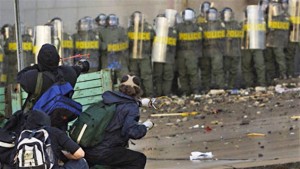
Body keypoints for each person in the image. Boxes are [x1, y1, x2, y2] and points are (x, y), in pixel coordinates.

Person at [84, 74, 154, 169]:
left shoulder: (108, 99)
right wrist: (146, 126)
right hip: (104, 152)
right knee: (139, 159)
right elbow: (132, 132)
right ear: (137, 90)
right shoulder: (132, 108)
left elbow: (122, 104)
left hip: (88, 149)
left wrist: (139, 103)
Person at [17, 43, 89, 130]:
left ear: (39, 59)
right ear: (58, 59)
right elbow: (78, 68)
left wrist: (38, 66)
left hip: (36, 128)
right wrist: (82, 64)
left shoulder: (32, 78)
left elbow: (20, 76)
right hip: (59, 127)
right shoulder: (68, 74)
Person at [17, 110, 89, 169]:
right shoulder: (53, 132)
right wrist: (64, 155)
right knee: (81, 161)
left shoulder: (23, 135)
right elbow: (80, 153)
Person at [127, 11, 155, 97]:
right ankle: (137, 95)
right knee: (135, 77)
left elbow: (154, 41)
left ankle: (149, 94)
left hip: (144, 56)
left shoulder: (148, 28)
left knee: (146, 76)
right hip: (133, 57)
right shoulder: (130, 29)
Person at [176, 8, 202, 95]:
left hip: (192, 53)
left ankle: (195, 90)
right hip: (181, 53)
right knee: (182, 73)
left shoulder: (196, 27)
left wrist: (198, 54)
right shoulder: (179, 27)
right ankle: (185, 90)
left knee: (193, 72)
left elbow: (200, 41)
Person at [152, 10, 177, 96]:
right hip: (158, 57)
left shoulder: (171, 31)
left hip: (168, 57)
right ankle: (160, 93)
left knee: (167, 76)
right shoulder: (154, 31)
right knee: (159, 76)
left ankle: (165, 93)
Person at [241, 5, 267, 88]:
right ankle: (248, 84)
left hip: (257, 46)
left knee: (260, 65)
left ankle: (262, 83)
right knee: (247, 66)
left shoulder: (260, 22)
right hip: (246, 47)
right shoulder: (242, 23)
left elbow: (265, 32)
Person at [200, 7, 226, 90]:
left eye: (213, 14)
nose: (211, 15)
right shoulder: (202, 25)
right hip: (205, 50)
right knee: (205, 70)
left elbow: (225, 37)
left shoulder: (220, 25)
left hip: (216, 50)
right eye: (209, 14)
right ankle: (206, 87)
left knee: (218, 69)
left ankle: (220, 86)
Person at [264, 0, 289, 84]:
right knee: (269, 60)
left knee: (280, 59)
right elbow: (263, 29)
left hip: (278, 41)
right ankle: (271, 77)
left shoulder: (284, 17)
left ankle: (283, 75)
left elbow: (287, 28)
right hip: (268, 41)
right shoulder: (266, 17)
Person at [100, 14, 129, 83]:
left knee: (124, 77)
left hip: (119, 58)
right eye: (110, 20)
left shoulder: (121, 30)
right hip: (107, 58)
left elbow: (126, 42)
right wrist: (105, 47)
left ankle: (125, 92)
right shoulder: (102, 31)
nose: (112, 22)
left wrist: (119, 46)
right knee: (107, 79)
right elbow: (99, 44)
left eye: (114, 20)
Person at [221, 7, 243, 89]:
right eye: (226, 13)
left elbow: (240, 34)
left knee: (234, 70)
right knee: (224, 70)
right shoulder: (221, 24)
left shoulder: (235, 24)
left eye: (229, 13)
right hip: (225, 51)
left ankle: (231, 86)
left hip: (235, 51)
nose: (228, 15)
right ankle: (224, 86)